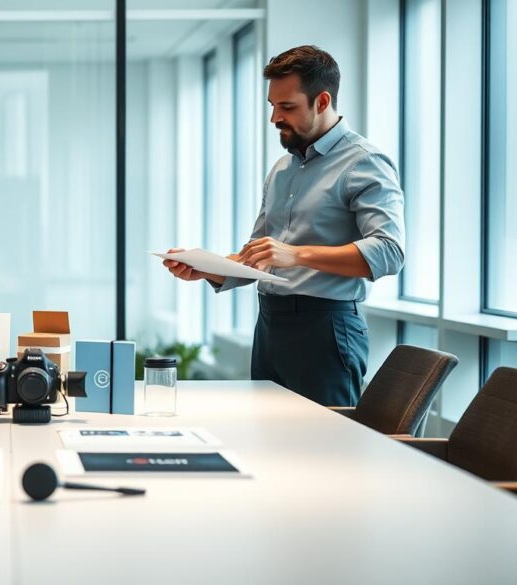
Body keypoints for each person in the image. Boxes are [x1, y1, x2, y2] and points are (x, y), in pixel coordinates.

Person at [163, 46, 404, 407]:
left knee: (324, 450)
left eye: (287, 107)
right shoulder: (282, 169)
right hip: (270, 325)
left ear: (322, 101)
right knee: (269, 443)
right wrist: (208, 269)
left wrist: (296, 254)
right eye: (272, 106)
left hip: (326, 329)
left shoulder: (364, 163)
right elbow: (260, 254)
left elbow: (390, 252)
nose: (275, 117)